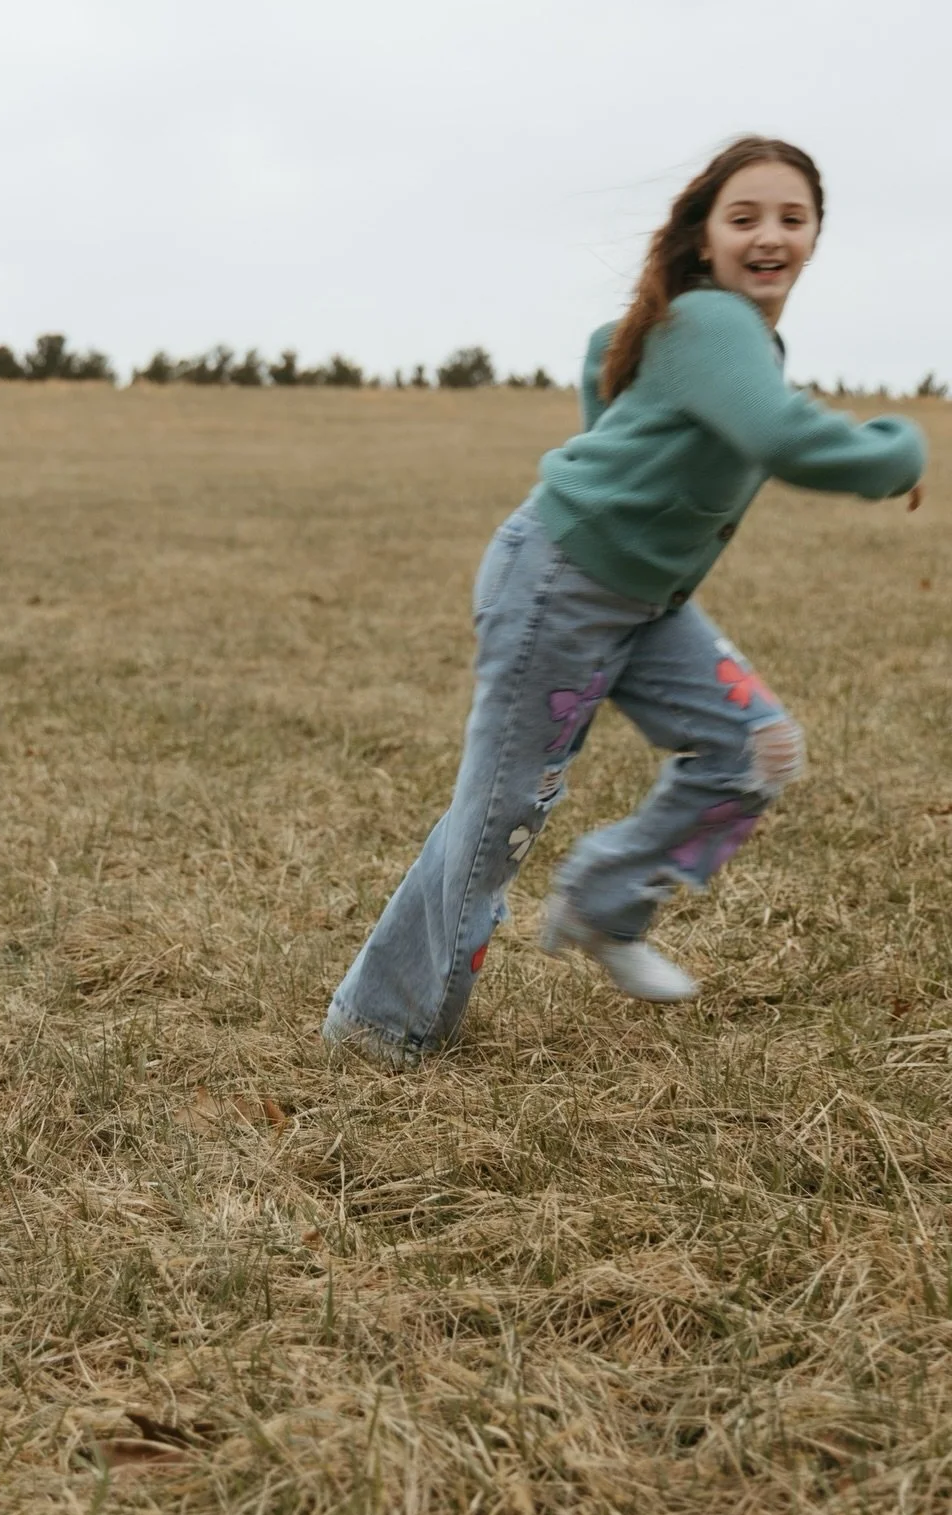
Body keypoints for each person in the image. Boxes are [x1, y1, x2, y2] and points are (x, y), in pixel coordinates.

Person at [323, 136, 926, 1067]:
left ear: (814, 237)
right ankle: (380, 1023)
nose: (770, 235)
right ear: (705, 236)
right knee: (499, 815)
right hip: (560, 585)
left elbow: (611, 352)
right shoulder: (717, 325)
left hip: (644, 599)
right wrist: (900, 450)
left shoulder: (709, 331)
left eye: (792, 219)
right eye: (745, 217)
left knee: (755, 747)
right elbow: (783, 435)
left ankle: (604, 904)